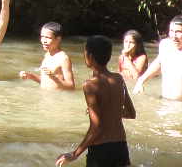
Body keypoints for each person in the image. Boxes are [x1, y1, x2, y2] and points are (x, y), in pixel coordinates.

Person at [56, 35, 136, 167]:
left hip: (101, 150)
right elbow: (131, 113)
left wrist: (75, 154)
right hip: (121, 147)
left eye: (85, 52)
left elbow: (97, 127)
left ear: (90, 56)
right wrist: (109, 113)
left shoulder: (90, 85)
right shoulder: (119, 79)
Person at [19, 22, 75, 90]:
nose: (44, 41)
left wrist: (54, 77)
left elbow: (71, 86)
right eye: (42, 37)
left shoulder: (63, 59)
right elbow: (46, 81)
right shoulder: (47, 55)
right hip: (44, 95)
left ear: (58, 39)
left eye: (48, 38)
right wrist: (30, 76)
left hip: (56, 96)